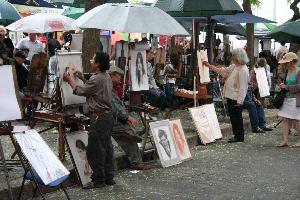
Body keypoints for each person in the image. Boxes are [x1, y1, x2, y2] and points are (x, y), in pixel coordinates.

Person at [63, 51, 115, 189]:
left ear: (98, 64)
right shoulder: (105, 76)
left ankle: (98, 180)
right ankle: (109, 177)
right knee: (106, 147)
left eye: (93, 60)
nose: (91, 62)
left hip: (100, 117)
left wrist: (70, 80)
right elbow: (92, 90)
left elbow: (81, 91)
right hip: (107, 116)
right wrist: (81, 77)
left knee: (95, 150)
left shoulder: (97, 78)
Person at [109, 65, 150, 170]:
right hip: (113, 122)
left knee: (129, 132)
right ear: (113, 76)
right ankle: (135, 161)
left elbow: (118, 107)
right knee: (128, 134)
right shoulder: (109, 89)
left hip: (114, 119)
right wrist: (127, 117)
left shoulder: (111, 88)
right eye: (119, 76)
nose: (120, 79)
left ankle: (134, 133)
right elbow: (116, 108)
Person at [206, 48, 249, 143]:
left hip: (236, 98)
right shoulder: (234, 66)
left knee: (237, 117)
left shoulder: (243, 70)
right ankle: (236, 135)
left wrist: (240, 101)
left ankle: (239, 136)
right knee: (233, 117)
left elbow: (243, 87)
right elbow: (223, 71)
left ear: (238, 57)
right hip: (230, 96)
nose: (232, 57)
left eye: (233, 56)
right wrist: (210, 66)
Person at [277, 52, 300, 147]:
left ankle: (299, 140)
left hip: (295, 99)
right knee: (285, 119)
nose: (285, 64)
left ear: (292, 62)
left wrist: (287, 87)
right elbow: (286, 85)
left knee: (296, 120)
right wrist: (283, 86)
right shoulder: (287, 71)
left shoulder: (299, 71)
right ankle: (285, 140)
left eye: (286, 62)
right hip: (287, 98)